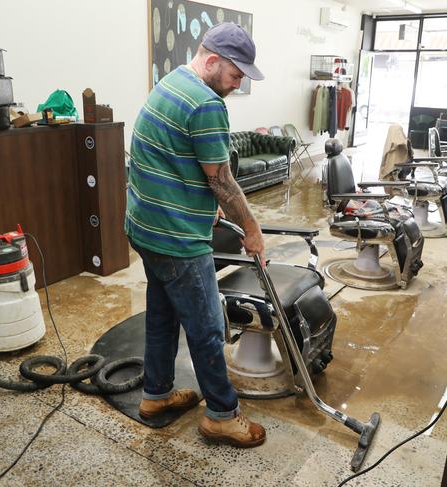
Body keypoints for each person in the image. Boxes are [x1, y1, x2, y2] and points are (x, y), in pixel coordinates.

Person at [125, 22, 266, 448]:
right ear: (210, 61)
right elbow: (221, 179)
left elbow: (175, 158)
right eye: (235, 74)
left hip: (144, 228)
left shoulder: (171, 81)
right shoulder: (206, 103)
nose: (238, 84)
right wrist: (253, 229)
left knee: (163, 316)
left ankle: (156, 395)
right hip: (176, 240)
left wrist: (206, 199)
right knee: (206, 326)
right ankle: (222, 415)